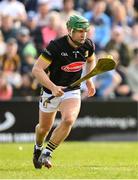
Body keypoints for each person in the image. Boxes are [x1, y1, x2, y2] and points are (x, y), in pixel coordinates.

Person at [32, 14, 96, 169]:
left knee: (68, 120)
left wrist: (89, 80)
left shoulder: (88, 45)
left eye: (85, 31)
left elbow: (91, 60)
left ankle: (47, 153)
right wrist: (53, 87)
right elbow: (37, 69)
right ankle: (38, 148)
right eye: (79, 31)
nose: (83, 34)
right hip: (50, 91)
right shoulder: (56, 46)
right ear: (70, 30)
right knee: (43, 128)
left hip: (72, 90)